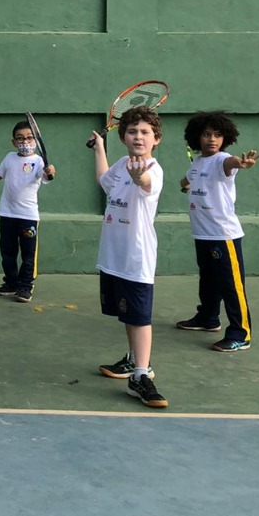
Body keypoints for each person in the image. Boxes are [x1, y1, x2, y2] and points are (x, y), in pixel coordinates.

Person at [89, 106, 168, 409]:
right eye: (133, 131)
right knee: (127, 314)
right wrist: (99, 148)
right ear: (123, 137)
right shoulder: (122, 163)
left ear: (156, 139)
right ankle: (134, 359)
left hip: (137, 258)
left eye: (145, 132)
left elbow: (145, 185)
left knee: (140, 317)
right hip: (113, 254)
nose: (138, 136)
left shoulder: (152, 170)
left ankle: (141, 376)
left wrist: (140, 177)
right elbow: (103, 180)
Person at [176, 111, 259, 352]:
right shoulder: (198, 162)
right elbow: (187, 180)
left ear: (225, 138)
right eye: (206, 134)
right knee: (209, 281)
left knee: (231, 286)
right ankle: (207, 318)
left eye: (218, 134)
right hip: (202, 234)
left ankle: (240, 333)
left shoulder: (224, 160)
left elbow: (232, 163)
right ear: (197, 137)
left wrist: (241, 163)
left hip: (223, 235)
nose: (212, 139)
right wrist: (186, 185)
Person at [0, 120, 56, 303]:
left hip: (28, 217)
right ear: (14, 142)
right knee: (8, 252)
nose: (25, 142)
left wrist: (51, 171)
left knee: (28, 255)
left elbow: (47, 176)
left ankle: (25, 287)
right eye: (20, 138)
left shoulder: (38, 161)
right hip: (7, 214)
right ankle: (11, 284)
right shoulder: (9, 158)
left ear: (36, 142)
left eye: (30, 138)